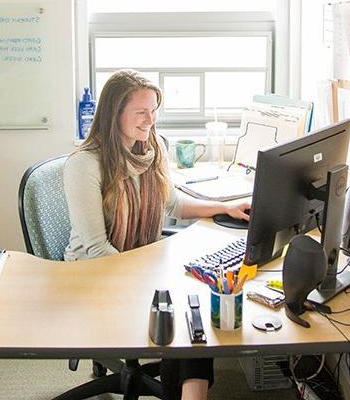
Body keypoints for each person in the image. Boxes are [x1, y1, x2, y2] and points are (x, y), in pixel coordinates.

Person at [63, 69, 250, 400]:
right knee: (186, 307)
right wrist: (155, 280)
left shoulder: (152, 150)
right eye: (141, 112)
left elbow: (173, 203)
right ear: (114, 114)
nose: (150, 120)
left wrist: (224, 207)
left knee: (193, 315)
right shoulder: (85, 165)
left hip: (139, 265)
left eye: (154, 111)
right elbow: (95, 249)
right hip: (92, 275)